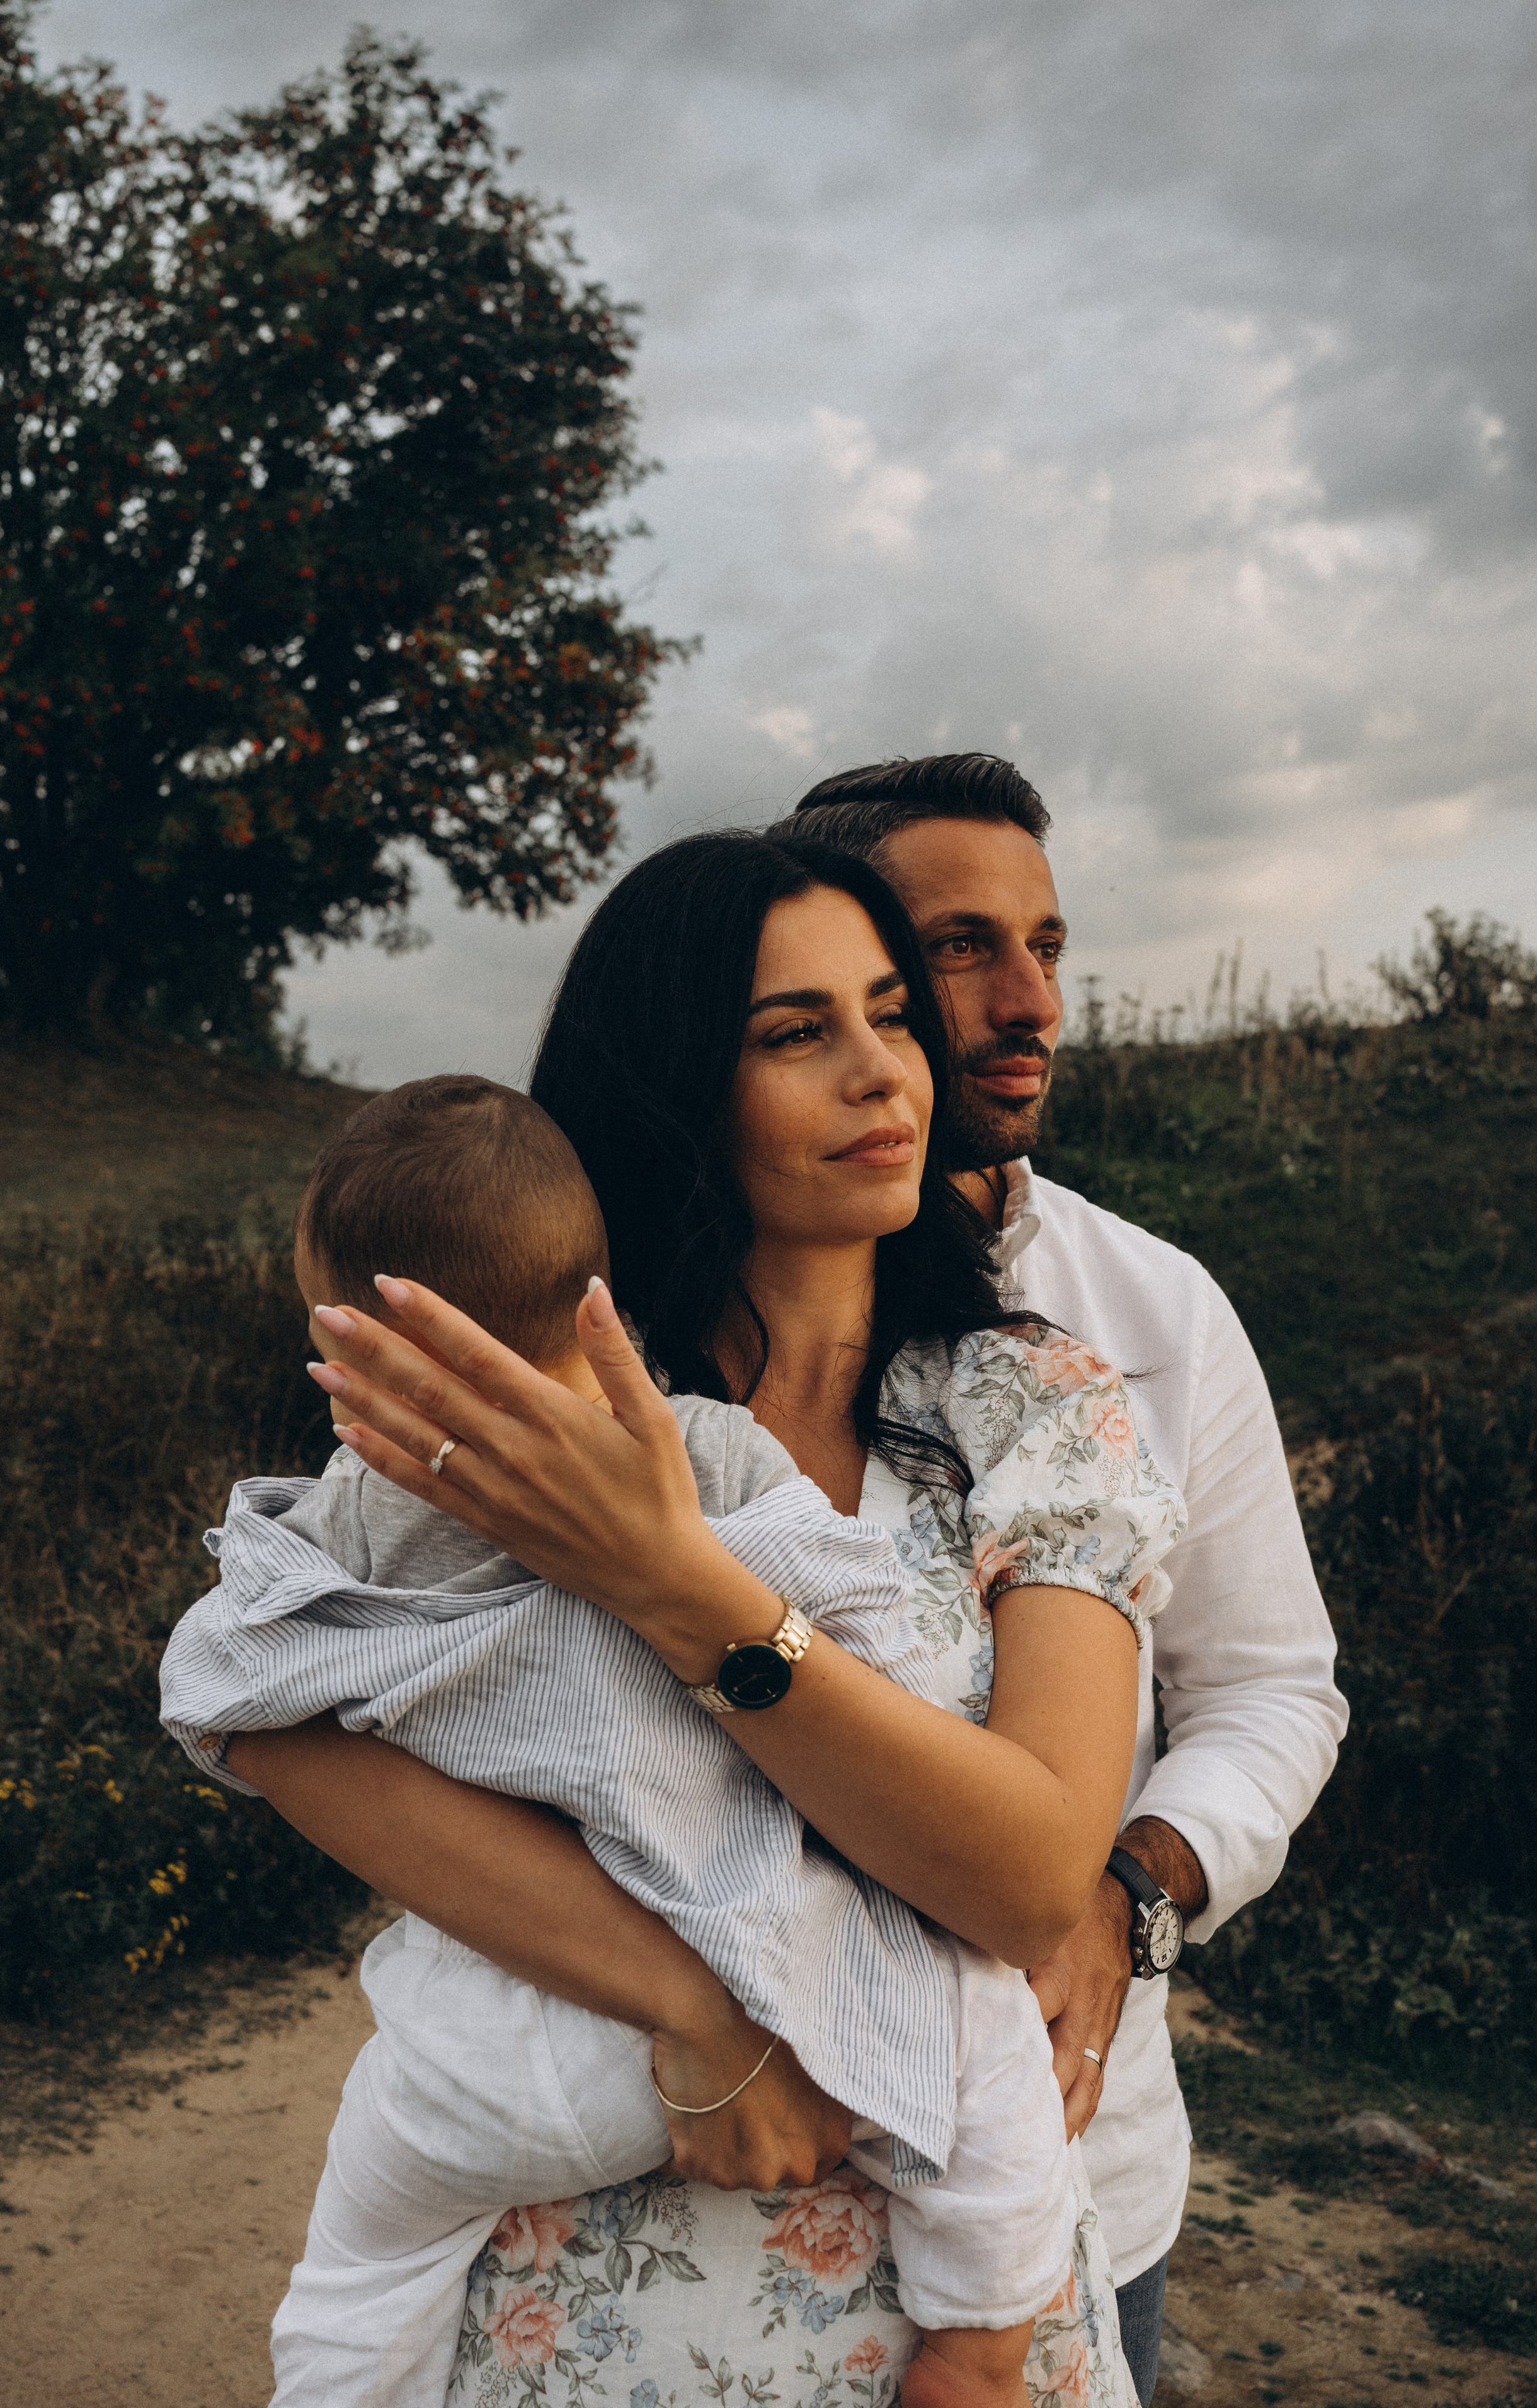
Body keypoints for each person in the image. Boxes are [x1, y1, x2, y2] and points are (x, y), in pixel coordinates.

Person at [220, 832, 1172, 2407]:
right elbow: (275, 1709)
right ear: (671, 1086)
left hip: (954, 2322)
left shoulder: (1027, 1401)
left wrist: (677, 1587)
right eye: (795, 1035)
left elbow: (1021, 1877)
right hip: (578, 2304)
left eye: (888, 1014)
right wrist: (701, 2010)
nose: (883, 1073)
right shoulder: (543, 1393)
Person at [778, 753, 1349, 2400]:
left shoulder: (1151, 1314)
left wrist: (1129, 1894)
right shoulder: (658, 1313)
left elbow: (1265, 1693)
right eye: (966, 946)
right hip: (704, 2180)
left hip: (1073, 2184)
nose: (1031, 1002)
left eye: (1049, 946)